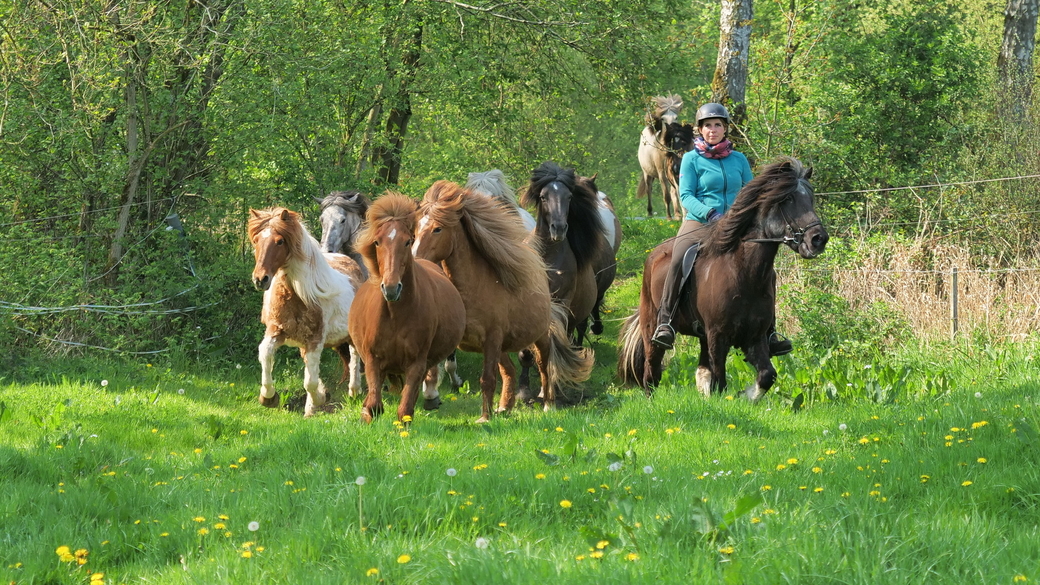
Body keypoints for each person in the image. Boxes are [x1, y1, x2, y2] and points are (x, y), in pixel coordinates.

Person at [650, 102, 792, 357]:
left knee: (765, 269)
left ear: (725, 129)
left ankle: (770, 331)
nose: (712, 130)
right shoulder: (691, 159)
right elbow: (686, 195)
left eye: (717, 125)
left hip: (736, 224)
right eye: (707, 126)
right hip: (700, 222)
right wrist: (711, 213)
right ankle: (665, 321)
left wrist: (747, 217)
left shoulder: (738, 160)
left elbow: (752, 193)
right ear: (700, 130)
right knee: (679, 258)